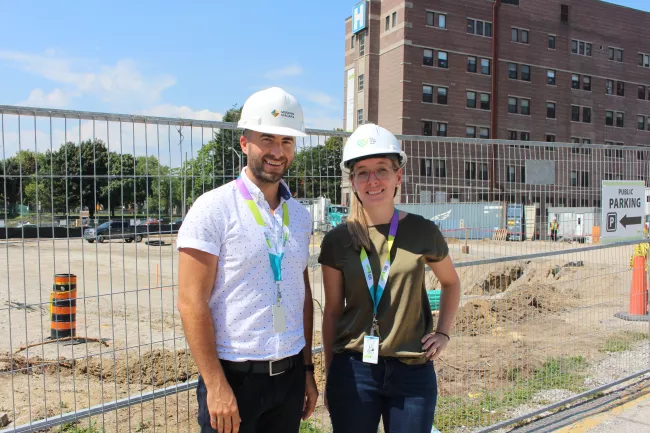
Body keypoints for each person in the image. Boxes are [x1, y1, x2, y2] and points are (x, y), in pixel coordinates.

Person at [176, 87, 318, 433]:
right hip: (234, 381)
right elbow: (190, 301)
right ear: (244, 143)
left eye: (287, 142)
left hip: (289, 379)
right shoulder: (213, 209)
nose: (277, 151)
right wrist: (216, 385)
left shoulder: (299, 217)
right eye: (266, 139)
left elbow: (301, 295)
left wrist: (308, 371)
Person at [318, 123, 461, 433]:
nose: (373, 180)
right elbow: (331, 311)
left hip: (412, 371)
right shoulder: (337, 240)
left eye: (382, 169)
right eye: (362, 172)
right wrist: (331, 373)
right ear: (352, 182)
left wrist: (444, 333)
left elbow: (451, 283)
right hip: (354, 370)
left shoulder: (423, 231)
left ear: (398, 176)